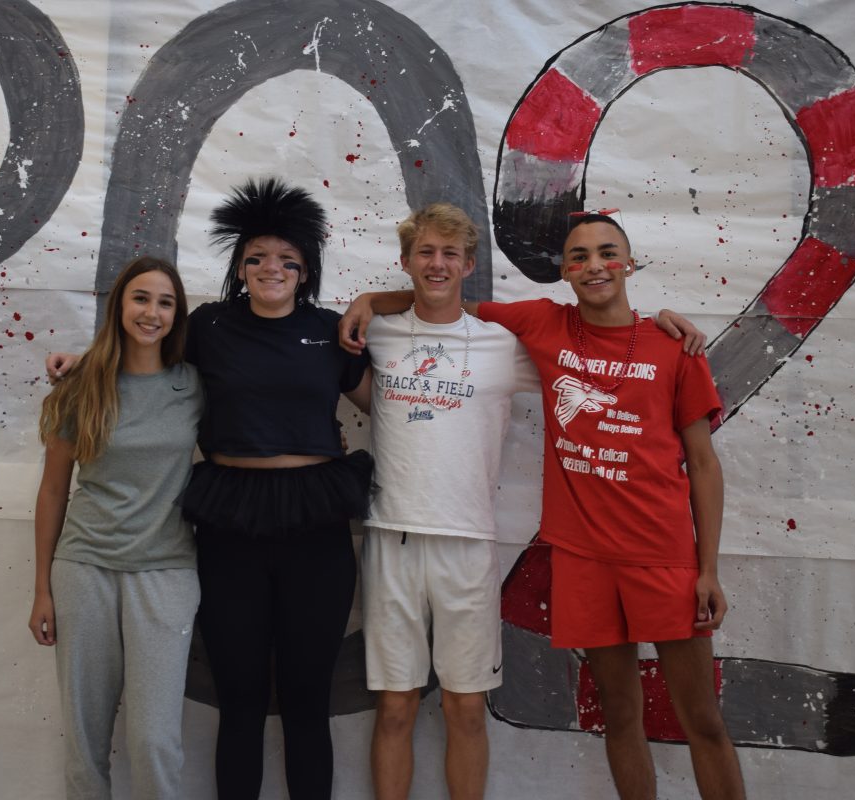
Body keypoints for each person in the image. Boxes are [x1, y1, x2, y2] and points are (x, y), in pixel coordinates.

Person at [343, 212, 742, 799]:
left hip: (662, 555)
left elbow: (704, 465)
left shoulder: (671, 345)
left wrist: (708, 569)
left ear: (629, 262)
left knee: (701, 720)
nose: (594, 265)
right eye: (579, 257)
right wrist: (372, 299)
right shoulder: (541, 323)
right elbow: (442, 296)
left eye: (608, 253)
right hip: (580, 556)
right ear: (563, 271)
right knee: (620, 718)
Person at [49, 178, 372, 800]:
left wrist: (380, 303)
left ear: (305, 271)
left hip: (317, 526)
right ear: (239, 267)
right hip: (230, 525)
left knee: (308, 697)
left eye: (286, 260)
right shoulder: (209, 326)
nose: (270, 269)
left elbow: (393, 404)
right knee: (241, 698)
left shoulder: (332, 331)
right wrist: (82, 360)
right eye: (255, 258)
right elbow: (141, 350)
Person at [354, 203, 540, 800]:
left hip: (468, 544)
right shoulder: (374, 333)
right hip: (392, 537)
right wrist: (370, 301)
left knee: (465, 710)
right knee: (396, 710)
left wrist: (664, 320)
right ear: (406, 261)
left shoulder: (502, 344)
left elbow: (588, 344)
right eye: (426, 252)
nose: (437, 264)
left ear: (468, 264)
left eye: (449, 254)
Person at [30, 256, 202, 800]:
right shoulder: (81, 387)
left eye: (165, 302)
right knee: (86, 738)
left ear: (177, 315)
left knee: (153, 738)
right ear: (119, 306)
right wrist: (41, 590)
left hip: (166, 571)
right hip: (84, 570)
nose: (152, 312)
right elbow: (54, 489)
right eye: (141, 298)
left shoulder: (195, 384)